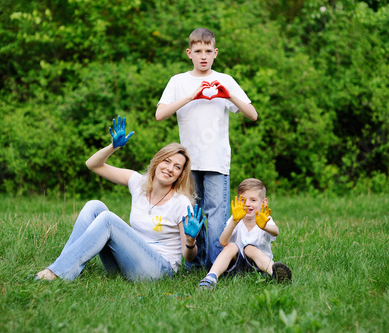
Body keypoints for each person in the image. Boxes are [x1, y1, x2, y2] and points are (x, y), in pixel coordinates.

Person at [35, 116, 204, 282]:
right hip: (126, 264)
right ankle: (62, 266)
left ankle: (58, 272)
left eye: (177, 167)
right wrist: (112, 147)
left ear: (180, 175)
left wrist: (190, 241)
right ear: (158, 161)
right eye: (167, 161)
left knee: (108, 219)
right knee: (94, 206)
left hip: (158, 270)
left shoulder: (181, 203)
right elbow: (92, 165)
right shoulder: (138, 182)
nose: (169, 169)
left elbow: (188, 258)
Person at [155, 27, 258, 269]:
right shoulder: (178, 81)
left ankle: (217, 265)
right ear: (189, 53)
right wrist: (192, 96)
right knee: (193, 215)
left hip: (216, 161)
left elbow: (252, 114)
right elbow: (160, 114)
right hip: (188, 164)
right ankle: (195, 264)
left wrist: (229, 95)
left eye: (208, 51)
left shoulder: (225, 80)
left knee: (218, 217)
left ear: (215, 53)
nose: (203, 56)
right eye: (198, 51)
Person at [198, 178, 292, 290]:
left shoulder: (264, 219)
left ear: (264, 202)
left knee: (249, 249)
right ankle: (211, 277)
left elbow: (276, 231)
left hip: (258, 267)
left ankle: (275, 272)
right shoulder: (236, 219)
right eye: (243, 200)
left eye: (253, 200)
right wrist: (234, 222)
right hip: (235, 267)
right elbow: (222, 241)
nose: (247, 204)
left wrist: (264, 226)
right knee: (231, 246)